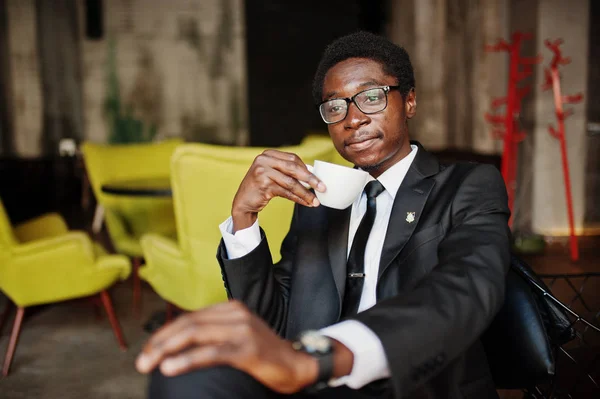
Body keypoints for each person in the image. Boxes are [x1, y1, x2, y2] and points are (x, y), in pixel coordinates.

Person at [136, 31, 511, 399]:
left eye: (371, 97)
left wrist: (324, 356)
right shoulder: (320, 205)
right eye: (336, 106)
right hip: (314, 382)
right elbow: (273, 324)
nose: (353, 119)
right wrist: (243, 218)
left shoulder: (467, 185)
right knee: (184, 375)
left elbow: (465, 289)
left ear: (409, 101)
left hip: (411, 380)